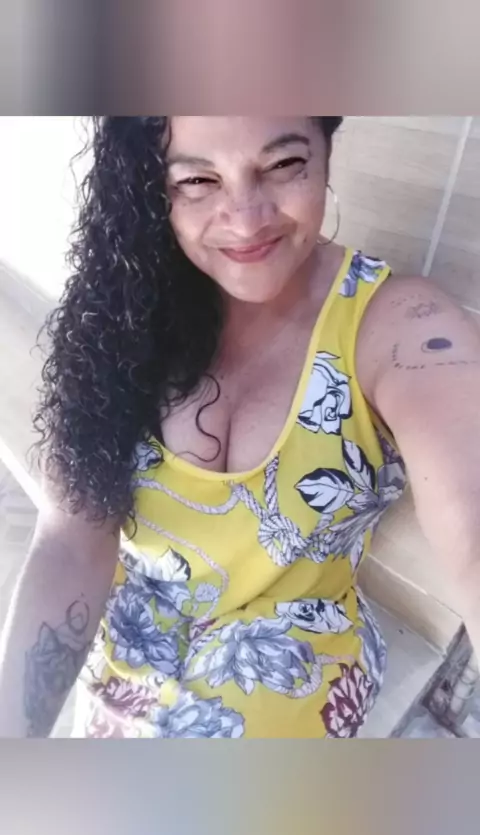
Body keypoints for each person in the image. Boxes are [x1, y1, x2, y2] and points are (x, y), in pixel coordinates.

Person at [1, 116, 480, 739]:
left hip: (296, 685)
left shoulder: (399, 326)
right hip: (125, 684)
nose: (247, 218)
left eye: (282, 165)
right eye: (198, 181)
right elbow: (71, 543)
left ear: (326, 151)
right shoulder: (124, 308)